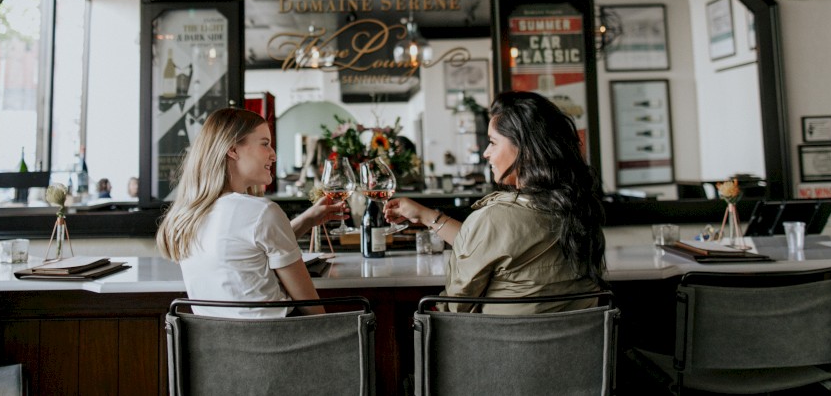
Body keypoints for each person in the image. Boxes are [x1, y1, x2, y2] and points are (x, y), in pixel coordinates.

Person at [385, 90, 607, 314]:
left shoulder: (495, 217)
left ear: (524, 149)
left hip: (501, 347)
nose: (485, 153)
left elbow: (457, 305)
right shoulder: (578, 209)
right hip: (576, 347)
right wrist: (424, 215)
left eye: (492, 142)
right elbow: (494, 243)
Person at [157, 107, 347, 318]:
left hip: (217, 347)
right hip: (280, 344)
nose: (273, 155)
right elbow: (312, 309)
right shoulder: (262, 212)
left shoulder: (185, 217)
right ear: (233, 149)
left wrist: (306, 220)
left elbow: (249, 249)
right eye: (265, 144)